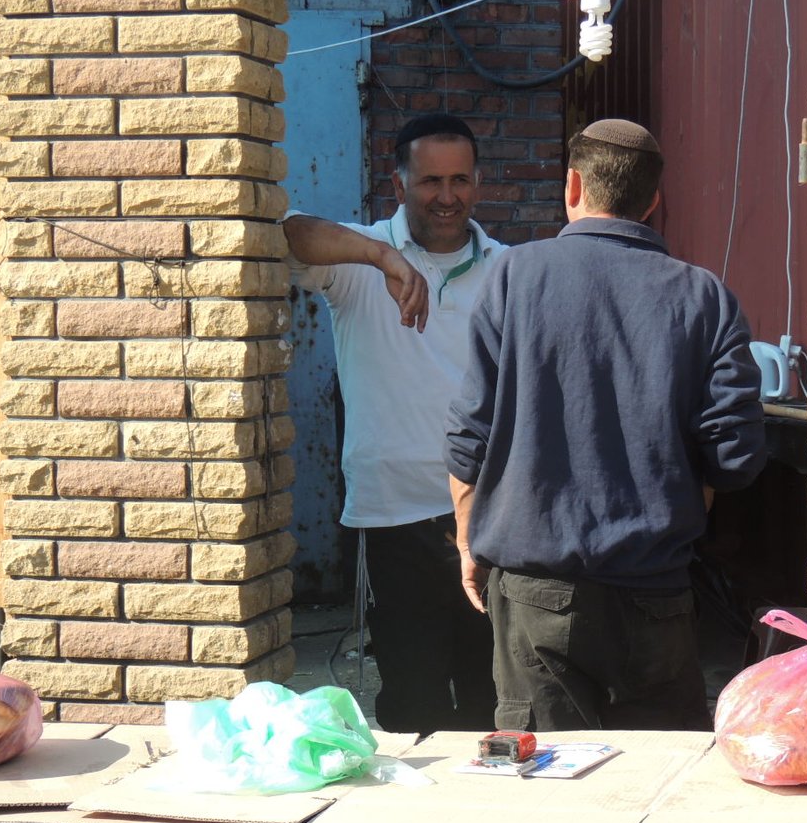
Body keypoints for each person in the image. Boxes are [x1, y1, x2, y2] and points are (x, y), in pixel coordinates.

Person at [443, 118, 767, 733]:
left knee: (548, 782)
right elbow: (735, 457)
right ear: (652, 200)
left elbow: (469, 437)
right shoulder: (706, 297)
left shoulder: (514, 276)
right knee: (657, 785)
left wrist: (468, 543)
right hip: (657, 592)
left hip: (535, 593)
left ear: (572, 186)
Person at [283, 113, 504, 735]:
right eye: (431, 180)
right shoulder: (357, 258)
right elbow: (285, 233)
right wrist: (382, 256)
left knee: (493, 697)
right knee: (412, 700)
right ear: (399, 182)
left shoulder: (507, 269)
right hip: (393, 518)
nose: (446, 196)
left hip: (488, 515)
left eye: (460, 180)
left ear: (478, 183)